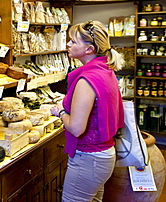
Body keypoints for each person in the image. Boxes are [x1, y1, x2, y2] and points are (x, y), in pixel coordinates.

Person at [50, 20, 125, 202]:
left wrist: (60, 112)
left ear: (89, 49)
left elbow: (76, 128)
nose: (68, 44)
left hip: (88, 159)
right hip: (103, 155)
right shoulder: (105, 70)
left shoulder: (87, 79)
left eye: (73, 41)